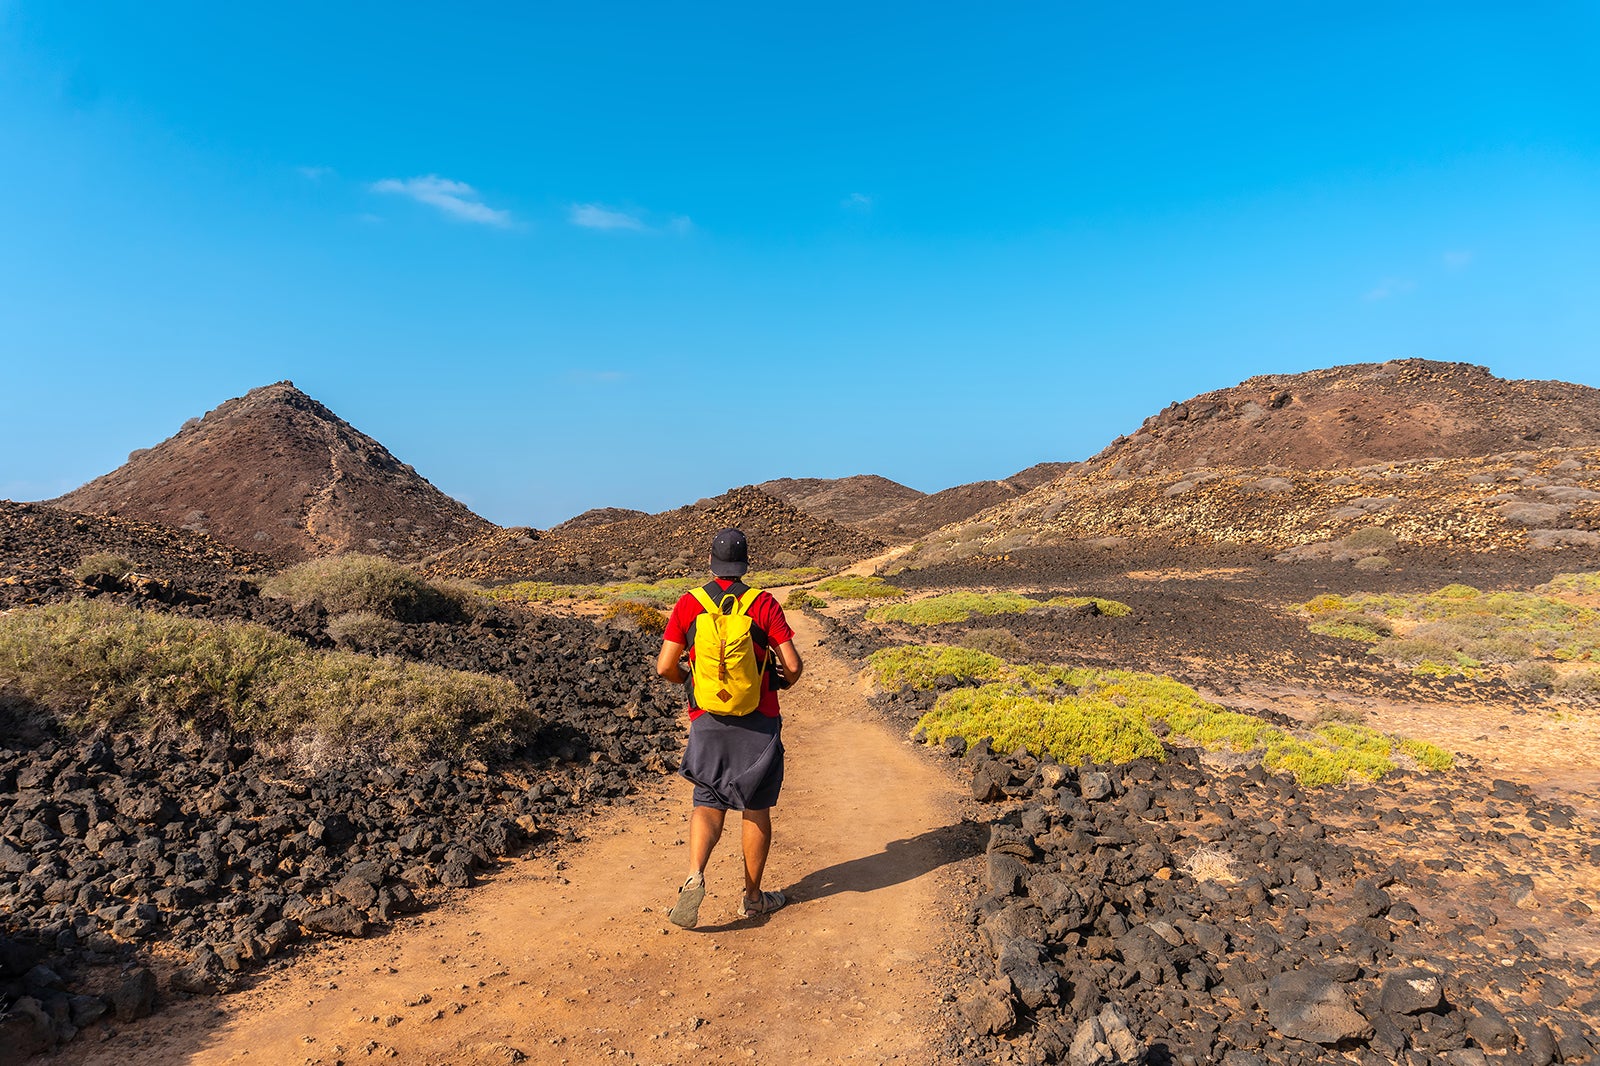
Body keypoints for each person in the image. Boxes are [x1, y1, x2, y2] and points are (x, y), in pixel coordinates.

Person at [656, 527, 803, 928]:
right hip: (758, 722)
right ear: (744, 563)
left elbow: (665, 666)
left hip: (707, 720)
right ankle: (753, 899)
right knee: (755, 806)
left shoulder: (689, 604)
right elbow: (791, 666)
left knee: (707, 799)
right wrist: (778, 681)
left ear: (712, 562)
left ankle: (694, 874)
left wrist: (689, 681)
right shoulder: (763, 604)